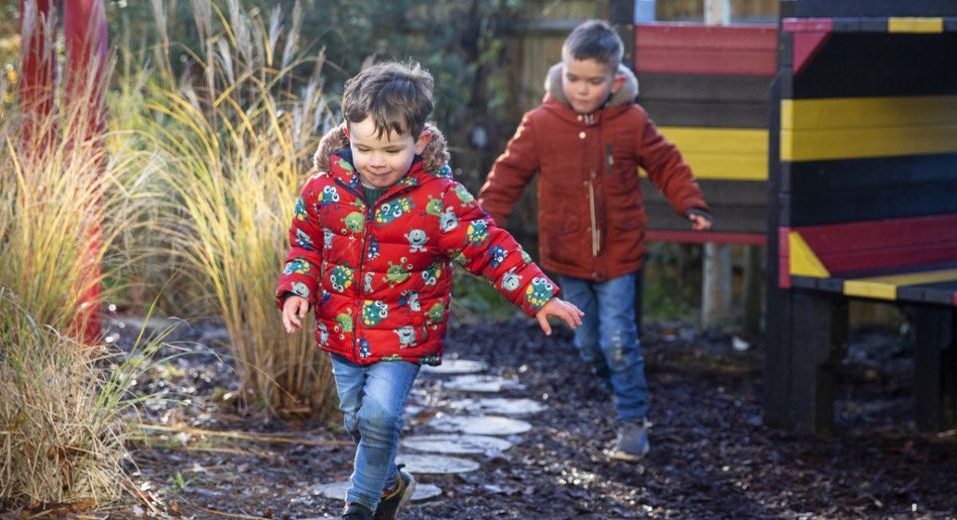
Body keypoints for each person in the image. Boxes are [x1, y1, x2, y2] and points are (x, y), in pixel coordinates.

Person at [276, 61, 583, 520]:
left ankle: (358, 505)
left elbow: (490, 247)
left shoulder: (439, 199)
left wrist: (539, 294)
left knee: (381, 416)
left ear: (418, 142)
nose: (377, 161)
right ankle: (391, 484)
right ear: (346, 135)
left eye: (391, 150)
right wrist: (297, 287)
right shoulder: (323, 190)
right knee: (357, 420)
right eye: (364, 149)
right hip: (342, 329)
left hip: (404, 334)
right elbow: (305, 245)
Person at [478, 20, 711, 462]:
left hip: (620, 253)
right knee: (590, 345)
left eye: (594, 81)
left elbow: (666, 163)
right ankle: (628, 392)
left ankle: (632, 421)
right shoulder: (542, 123)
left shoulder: (632, 121)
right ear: (561, 72)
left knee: (619, 341)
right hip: (567, 254)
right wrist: (481, 225)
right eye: (574, 78)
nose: (583, 89)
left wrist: (691, 203)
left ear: (615, 79)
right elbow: (508, 175)